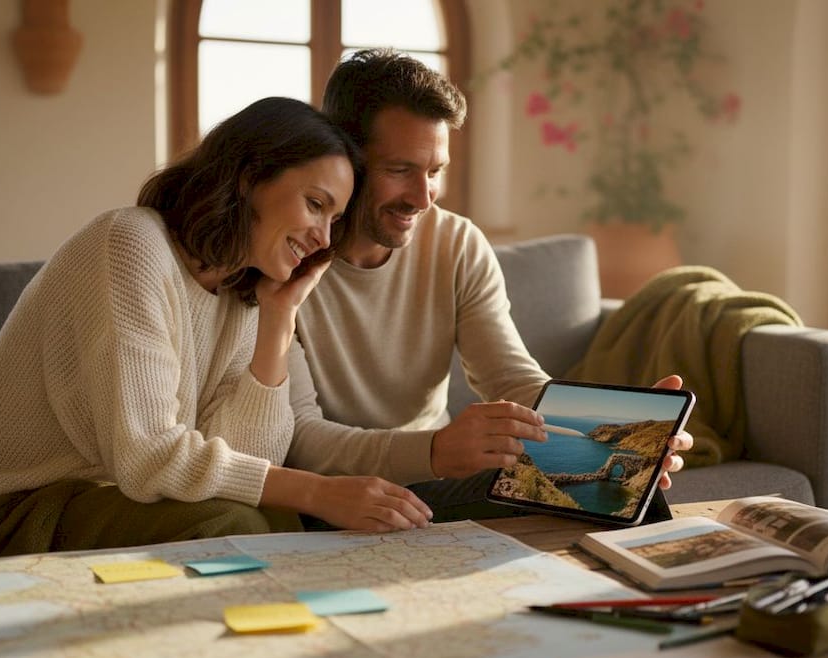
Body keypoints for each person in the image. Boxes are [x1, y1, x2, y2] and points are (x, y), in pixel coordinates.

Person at [0, 97, 432, 564]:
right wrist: (318, 491)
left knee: (268, 519)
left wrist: (277, 323)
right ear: (249, 178)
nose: (322, 238)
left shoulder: (247, 290)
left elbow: (245, 463)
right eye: (315, 205)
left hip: (84, 499)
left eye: (334, 220)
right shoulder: (129, 244)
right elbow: (149, 456)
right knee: (240, 528)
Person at [285, 50, 692, 522]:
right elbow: (301, 440)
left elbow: (510, 379)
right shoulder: (288, 254)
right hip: (335, 495)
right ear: (345, 159)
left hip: (433, 482)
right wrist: (434, 449)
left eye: (434, 171)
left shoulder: (455, 243)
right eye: (400, 170)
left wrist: (616, 428)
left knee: (629, 495)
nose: (422, 198)